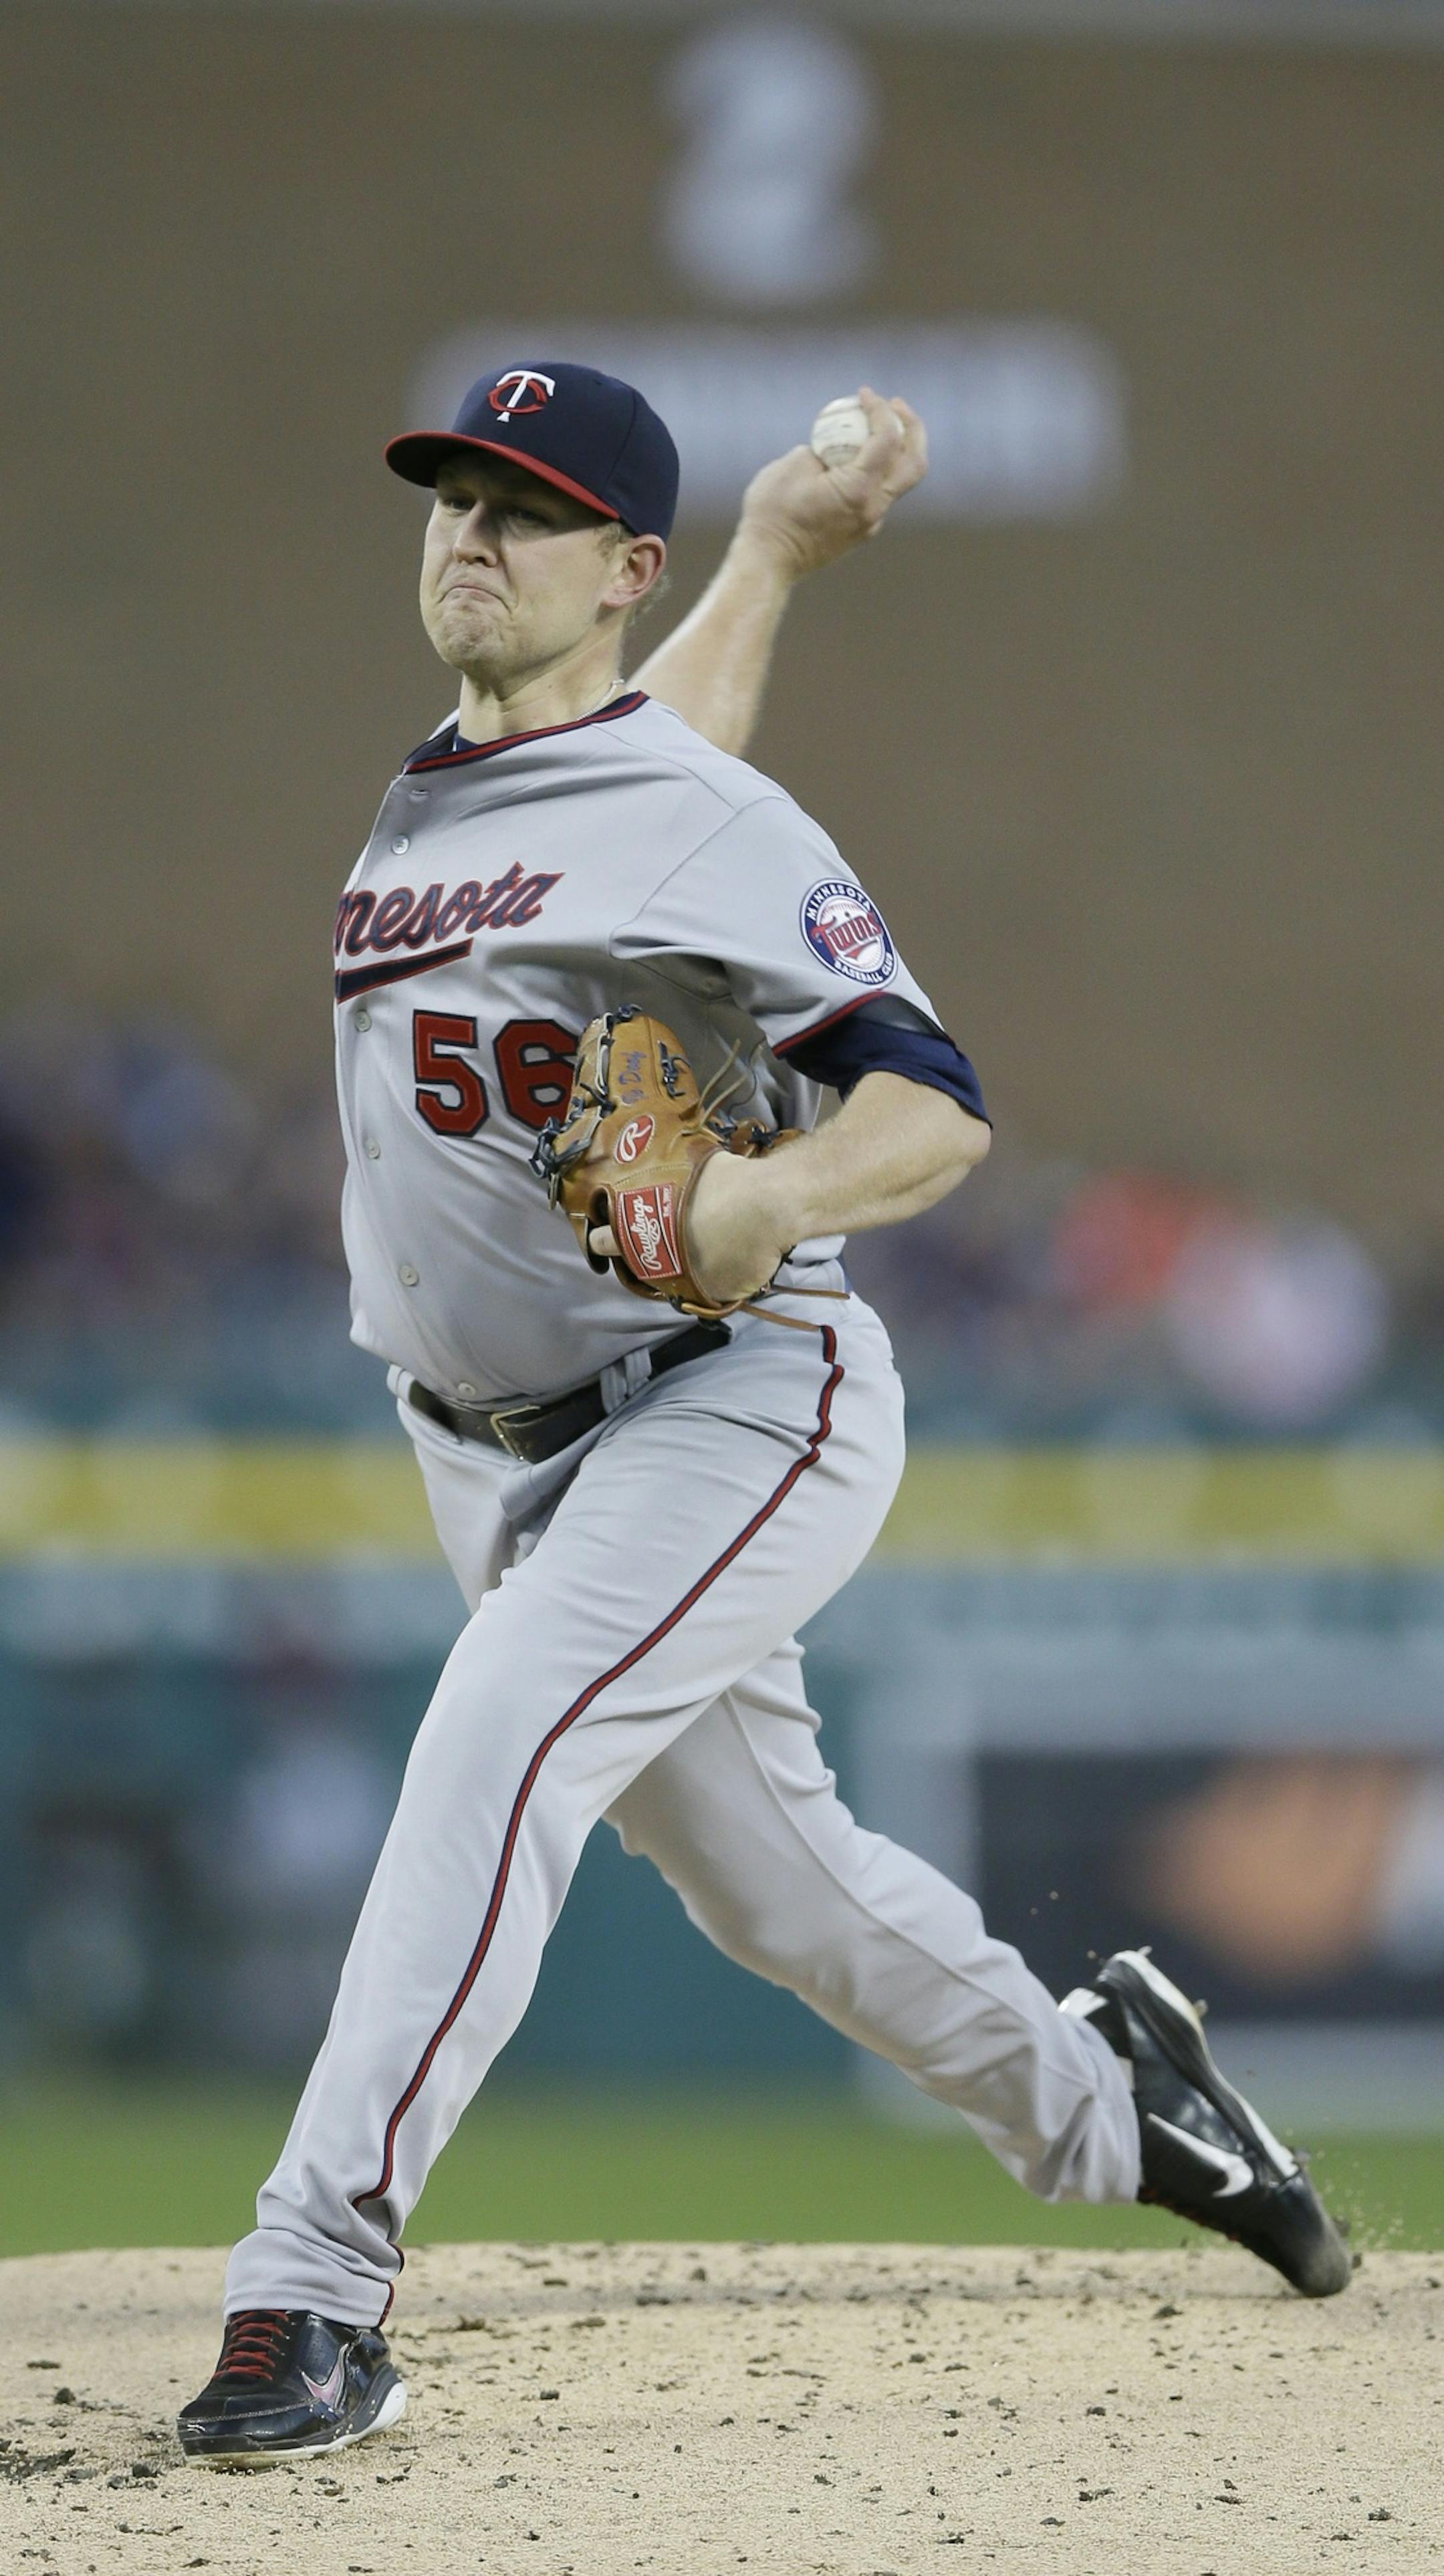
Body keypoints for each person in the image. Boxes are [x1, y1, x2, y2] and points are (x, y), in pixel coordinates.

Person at [178, 365, 1348, 2468]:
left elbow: (933, 1100)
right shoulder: (479, 780)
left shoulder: (709, 825)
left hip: (733, 1395)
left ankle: (314, 2286)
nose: (470, 532)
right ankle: (1119, 2098)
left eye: (526, 511)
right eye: (453, 494)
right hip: (489, 1444)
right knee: (778, 1897)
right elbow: (650, 765)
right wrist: (783, 553)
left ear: (617, 568)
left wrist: (769, 1197)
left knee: (500, 1738)